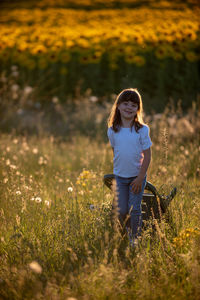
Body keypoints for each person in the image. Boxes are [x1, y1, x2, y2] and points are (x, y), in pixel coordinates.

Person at [107, 88, 152, 246]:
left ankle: (135, 238)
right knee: (121, 211)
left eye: (133, 105)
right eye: (125, 103)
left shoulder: (142, 130)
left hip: (136, 177)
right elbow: (116, 151)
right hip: (120, 177)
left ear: (138, 109)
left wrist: (140, 177)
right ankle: (126, 231)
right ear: (118, 106)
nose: (129, 107)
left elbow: (147, 156)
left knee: (134, 210)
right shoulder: (113, 130)